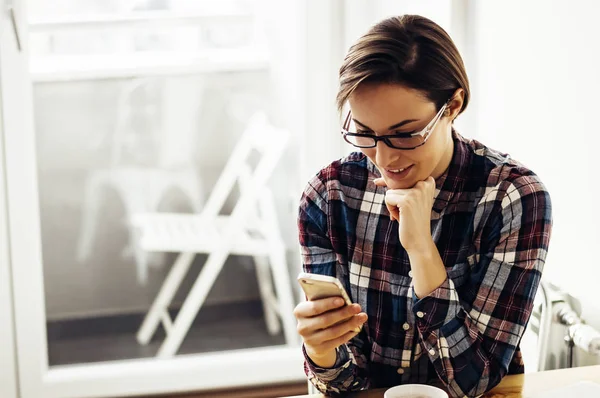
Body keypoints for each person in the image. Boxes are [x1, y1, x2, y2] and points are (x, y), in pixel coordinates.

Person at [293, 14, 552, 398]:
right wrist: (321, 350)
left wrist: (420, 248)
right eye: (364, 133)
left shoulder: (513, 198)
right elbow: (344, 386)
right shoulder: (329, 195)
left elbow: (475, 382)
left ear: (453, 105)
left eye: (404, 134)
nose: (382, 157)